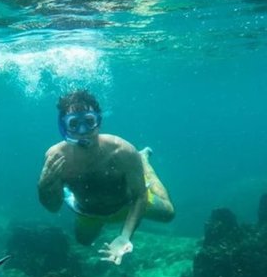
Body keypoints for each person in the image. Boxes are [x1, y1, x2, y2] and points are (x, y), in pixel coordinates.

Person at [37, 89, 175, 264]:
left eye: (89, 121)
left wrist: (125, 236)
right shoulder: (56, 157)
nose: (82, 130)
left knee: (169, 213)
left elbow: (140, 196)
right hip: (88, 212)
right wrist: (43, 186)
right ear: (63, 126)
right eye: (74, 124)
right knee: (83, 241)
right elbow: (53, 207)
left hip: (125, 204)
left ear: (98, 122)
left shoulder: (123, 151)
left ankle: (143, 162)